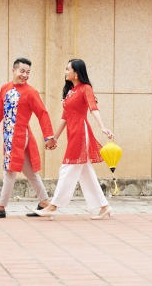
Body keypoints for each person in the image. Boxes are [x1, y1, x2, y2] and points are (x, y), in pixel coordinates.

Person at [33, 59, 113, 220]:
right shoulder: (70, 91)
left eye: (67, 69)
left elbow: (93, 108)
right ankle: (105, 206)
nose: (65, 71)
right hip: (73, 133)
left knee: (67, 168)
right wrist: (54, 137)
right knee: (85, 173)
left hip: (81, 134)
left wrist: (102, 127)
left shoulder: (85, 89)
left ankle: (53, 206)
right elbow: (65, 117)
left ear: (76, 73)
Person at [0, 58, 56, 219]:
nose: (25, 75)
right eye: (22, 71)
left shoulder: (31, 92)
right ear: (13, 70)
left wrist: (49, 136)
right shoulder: (5, 88)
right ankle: (44, 203)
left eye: (28, 72)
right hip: (9, 135)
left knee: (9, 171)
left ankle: (0, 208)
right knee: (30, 172)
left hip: (18, 136)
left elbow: (42, 114)